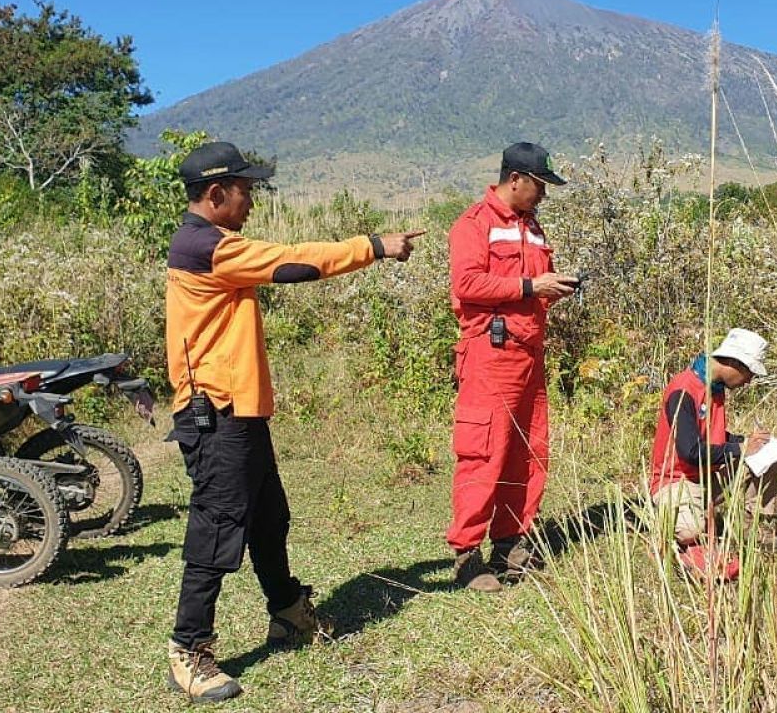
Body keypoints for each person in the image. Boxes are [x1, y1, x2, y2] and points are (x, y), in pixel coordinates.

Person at [163, 141, 423, 703]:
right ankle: (188, 650)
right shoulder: (205, 246)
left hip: (240, 410)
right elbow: (293, 262)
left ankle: (286, 613)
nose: (251, 201)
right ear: (216, 194)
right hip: (216, 413)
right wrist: (373, 246)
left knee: (268, 519)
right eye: (246, 191)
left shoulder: (211, 242)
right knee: (217, 528)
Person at [445, 142, 578, 592]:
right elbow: (466, 283)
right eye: (538, 186)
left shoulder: (534, 228)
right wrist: (529, 285)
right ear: (515, 179)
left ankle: (509, 543)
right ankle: (467, 556)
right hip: (489, 353)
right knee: (484, 452)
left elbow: (533, 284)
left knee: (527, 452)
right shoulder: (473, 224)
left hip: (529, 355)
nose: (542, 194)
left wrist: (548, 288)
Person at [650, 328, 777, 579]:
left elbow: (711, 438)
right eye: (749, 372)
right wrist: (739, 448)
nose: (749, 380)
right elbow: (690, 451)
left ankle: (756, 530)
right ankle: (673, 530)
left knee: (769, 457)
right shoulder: (683, 388)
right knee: (690, 529)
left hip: (708, 476)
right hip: (675, 481)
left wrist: (747, 442)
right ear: (734, 363)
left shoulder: (715, 388)